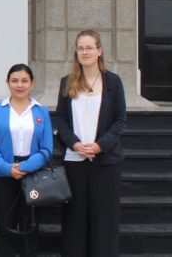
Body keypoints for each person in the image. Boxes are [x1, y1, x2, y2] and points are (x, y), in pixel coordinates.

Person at [55, 30, 126, 257]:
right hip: (75, 162)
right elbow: (62, 120)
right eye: (80, 48)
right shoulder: (67, 82)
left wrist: (99, 145)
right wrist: (75, 144)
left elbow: (119, 120)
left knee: (104, 221)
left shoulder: (113, 82)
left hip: (104, 163)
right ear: (76, 53)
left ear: (99, 51)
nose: (84, 52)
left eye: (89, 47)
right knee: (75, 222)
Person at [0, 64, 53, 257]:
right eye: (14, 80)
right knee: (6, 228)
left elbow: (47, 148)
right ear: (7, 83)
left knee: (30, 227)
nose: (19, 85)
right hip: (4, 175)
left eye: (24, 80)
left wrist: (24, 166)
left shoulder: (42, 111)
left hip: (33, 175)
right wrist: (6, 168)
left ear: (32, 84)